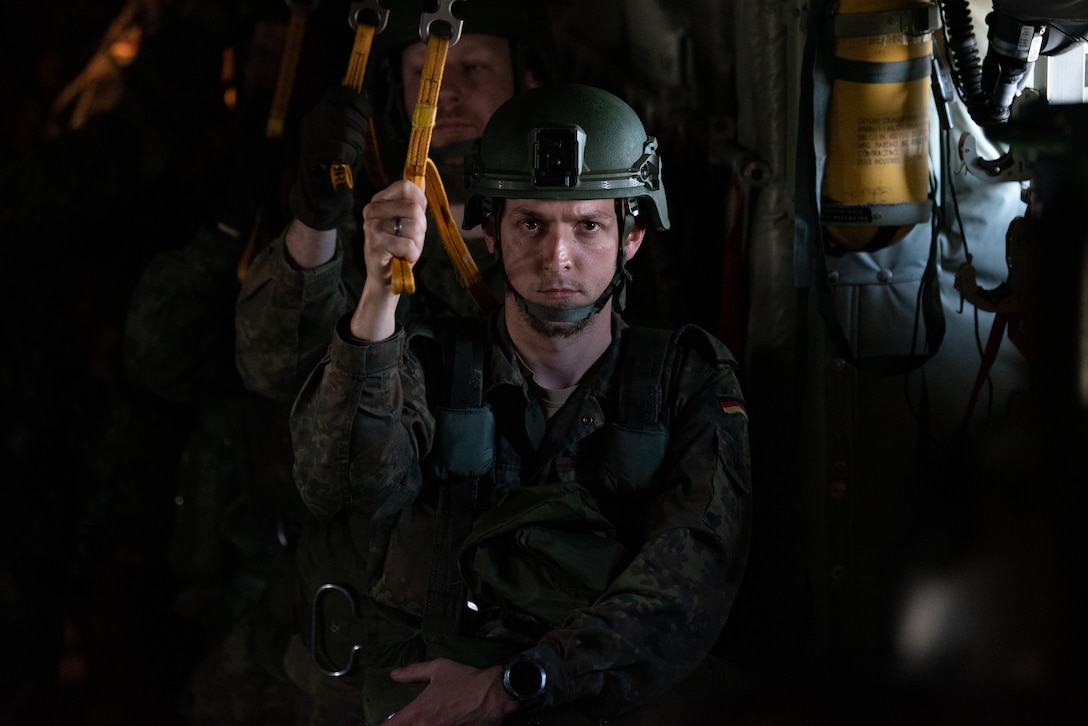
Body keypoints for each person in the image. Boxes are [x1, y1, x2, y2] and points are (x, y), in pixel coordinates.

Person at [289, 83, 753, 725]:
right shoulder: (428, 364)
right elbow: (338, 483)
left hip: (592, 698)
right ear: (489, 233)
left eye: (588, 225)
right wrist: (377, 297)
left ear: (632, 237)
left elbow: (686, 588)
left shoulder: (687, 380)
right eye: (531, 223)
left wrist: (511, 685)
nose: (557, 258)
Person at [235, 0, 555, 404]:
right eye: (424, 71)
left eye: (474, 67)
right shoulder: (369, 227)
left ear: (529, 80)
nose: (448, 91)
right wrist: (316, 219)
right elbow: (275, 370)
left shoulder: (579, 227)